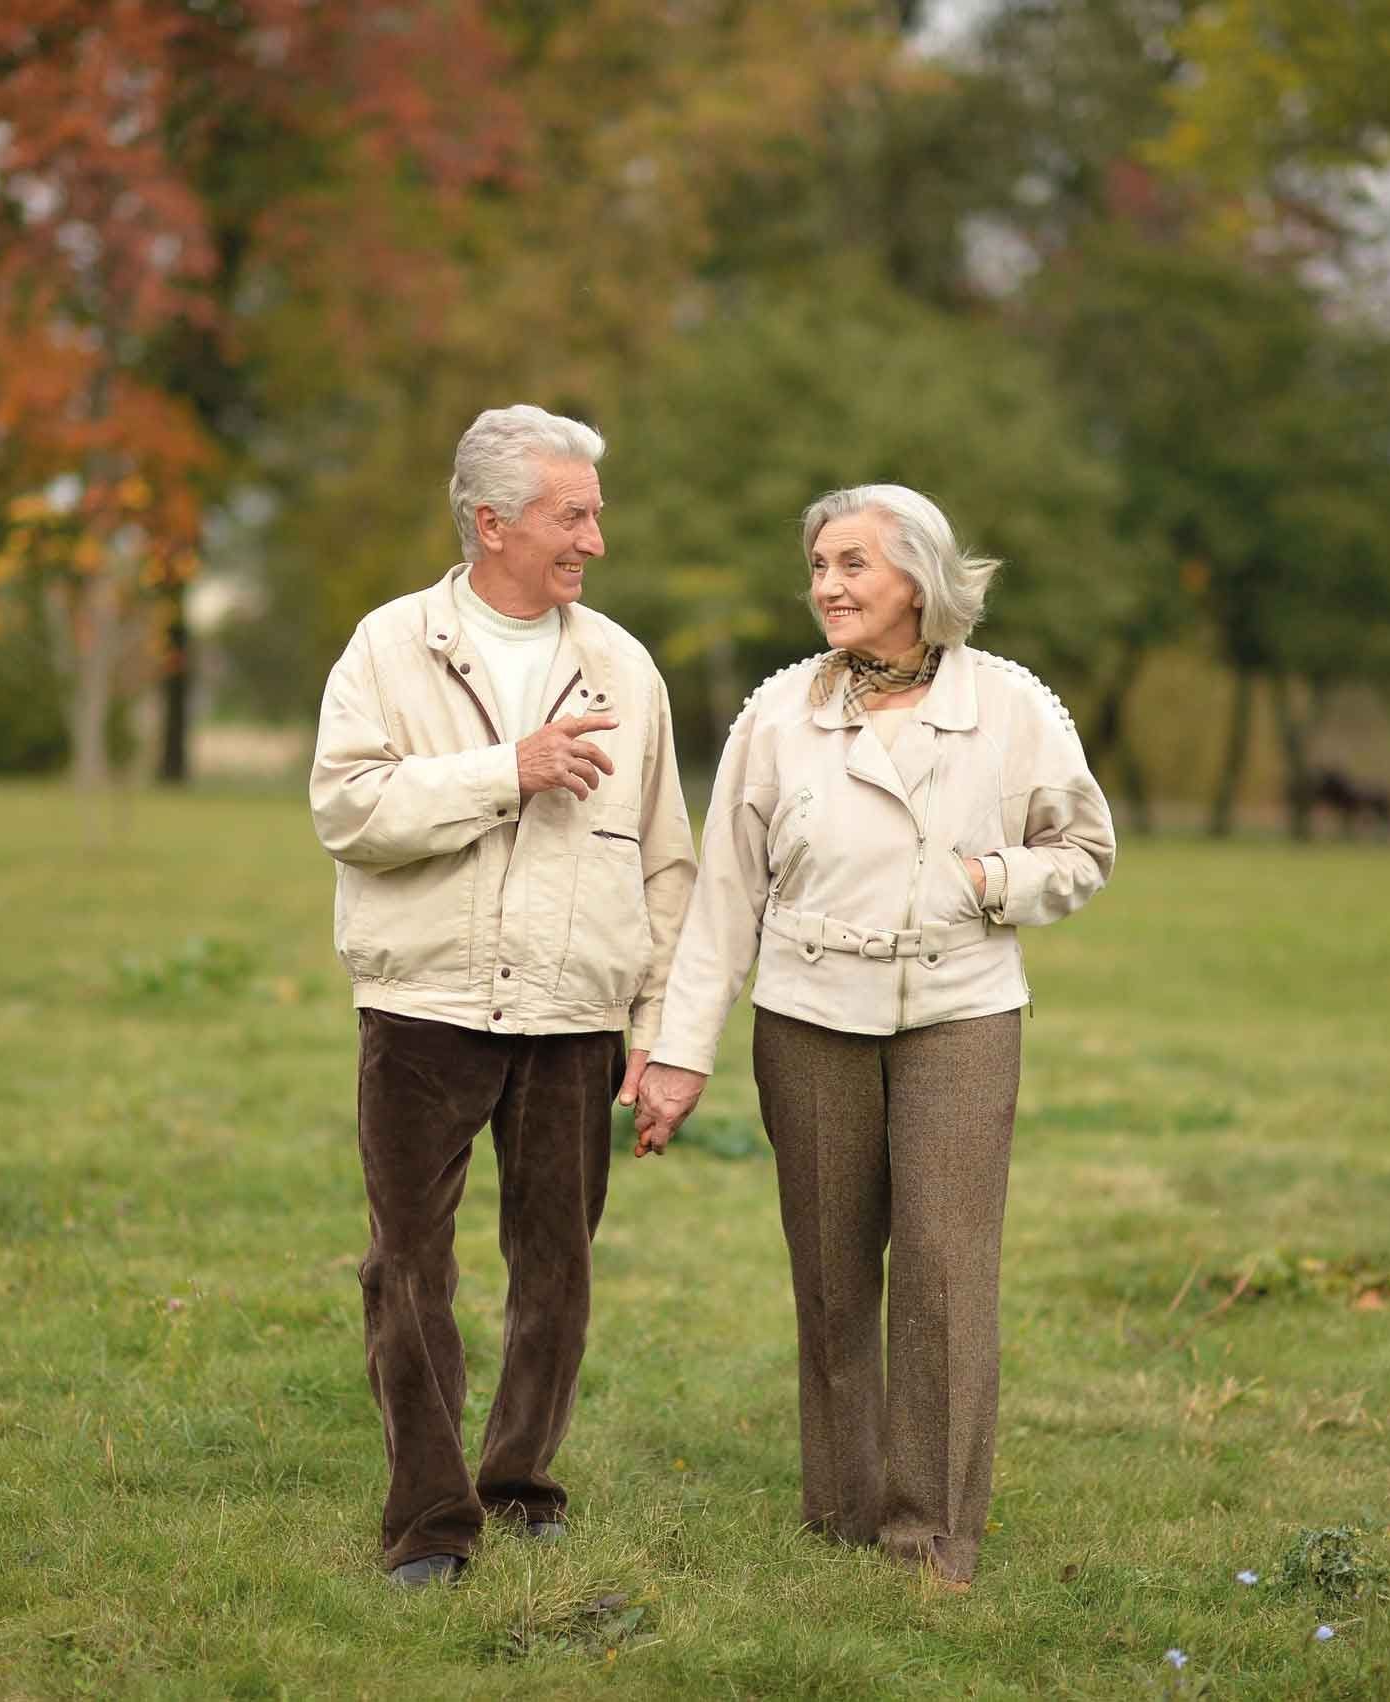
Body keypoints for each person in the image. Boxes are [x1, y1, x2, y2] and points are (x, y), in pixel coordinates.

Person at [631, 484, 1114, 1591]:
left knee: (945, 1272)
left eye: (851, 564)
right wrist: (677, 1051)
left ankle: (930, 1532)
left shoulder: (1012, 706)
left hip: (962, 1013)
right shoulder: (775, 717)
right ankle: (843, 1509)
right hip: (806, 1018)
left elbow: (1085, 851)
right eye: (817, 566)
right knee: (833, 1271)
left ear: (918, 578)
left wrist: (994, 879)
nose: (827, 588)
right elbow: (722, 899)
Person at [310, 405, 696, 1588]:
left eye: (592, 511)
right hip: (424, 1007)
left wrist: (662, 1034)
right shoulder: (388, 646)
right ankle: (430, 1518)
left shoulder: (624, 664)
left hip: (576, 1017)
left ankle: (521, 1482)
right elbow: (348, 811)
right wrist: (504, 771)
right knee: (406, 1267)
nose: (595, 538)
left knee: (557, 1265)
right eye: (571, 513)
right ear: (491, 521)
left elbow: (666, 862)